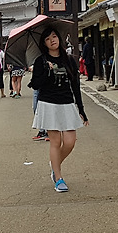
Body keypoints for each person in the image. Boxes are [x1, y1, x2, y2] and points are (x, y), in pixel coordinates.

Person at [29, 26, 88, 192]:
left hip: (67, 103)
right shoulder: (40, 61)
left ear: (59, 38)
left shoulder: (69, 60)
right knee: (56, 142)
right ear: (44, 43)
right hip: (48, 103)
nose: (52, 41)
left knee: (70, 142)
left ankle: (54, 164)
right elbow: (35, 85)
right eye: (47, 39)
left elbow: (75, 85)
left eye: (54, 36)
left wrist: (81, 109)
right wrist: (46, 71)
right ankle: (58, 177)